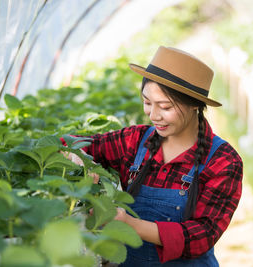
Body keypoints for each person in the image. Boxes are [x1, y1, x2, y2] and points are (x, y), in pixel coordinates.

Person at [71, 46, 243, 266]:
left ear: (194, 105)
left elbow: (202, 235)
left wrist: (129, 224)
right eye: (147, 102)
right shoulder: (135, 141)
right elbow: (81, 143)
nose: (153, 115)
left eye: (165, 106)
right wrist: (75, 155)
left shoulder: (223, 161)